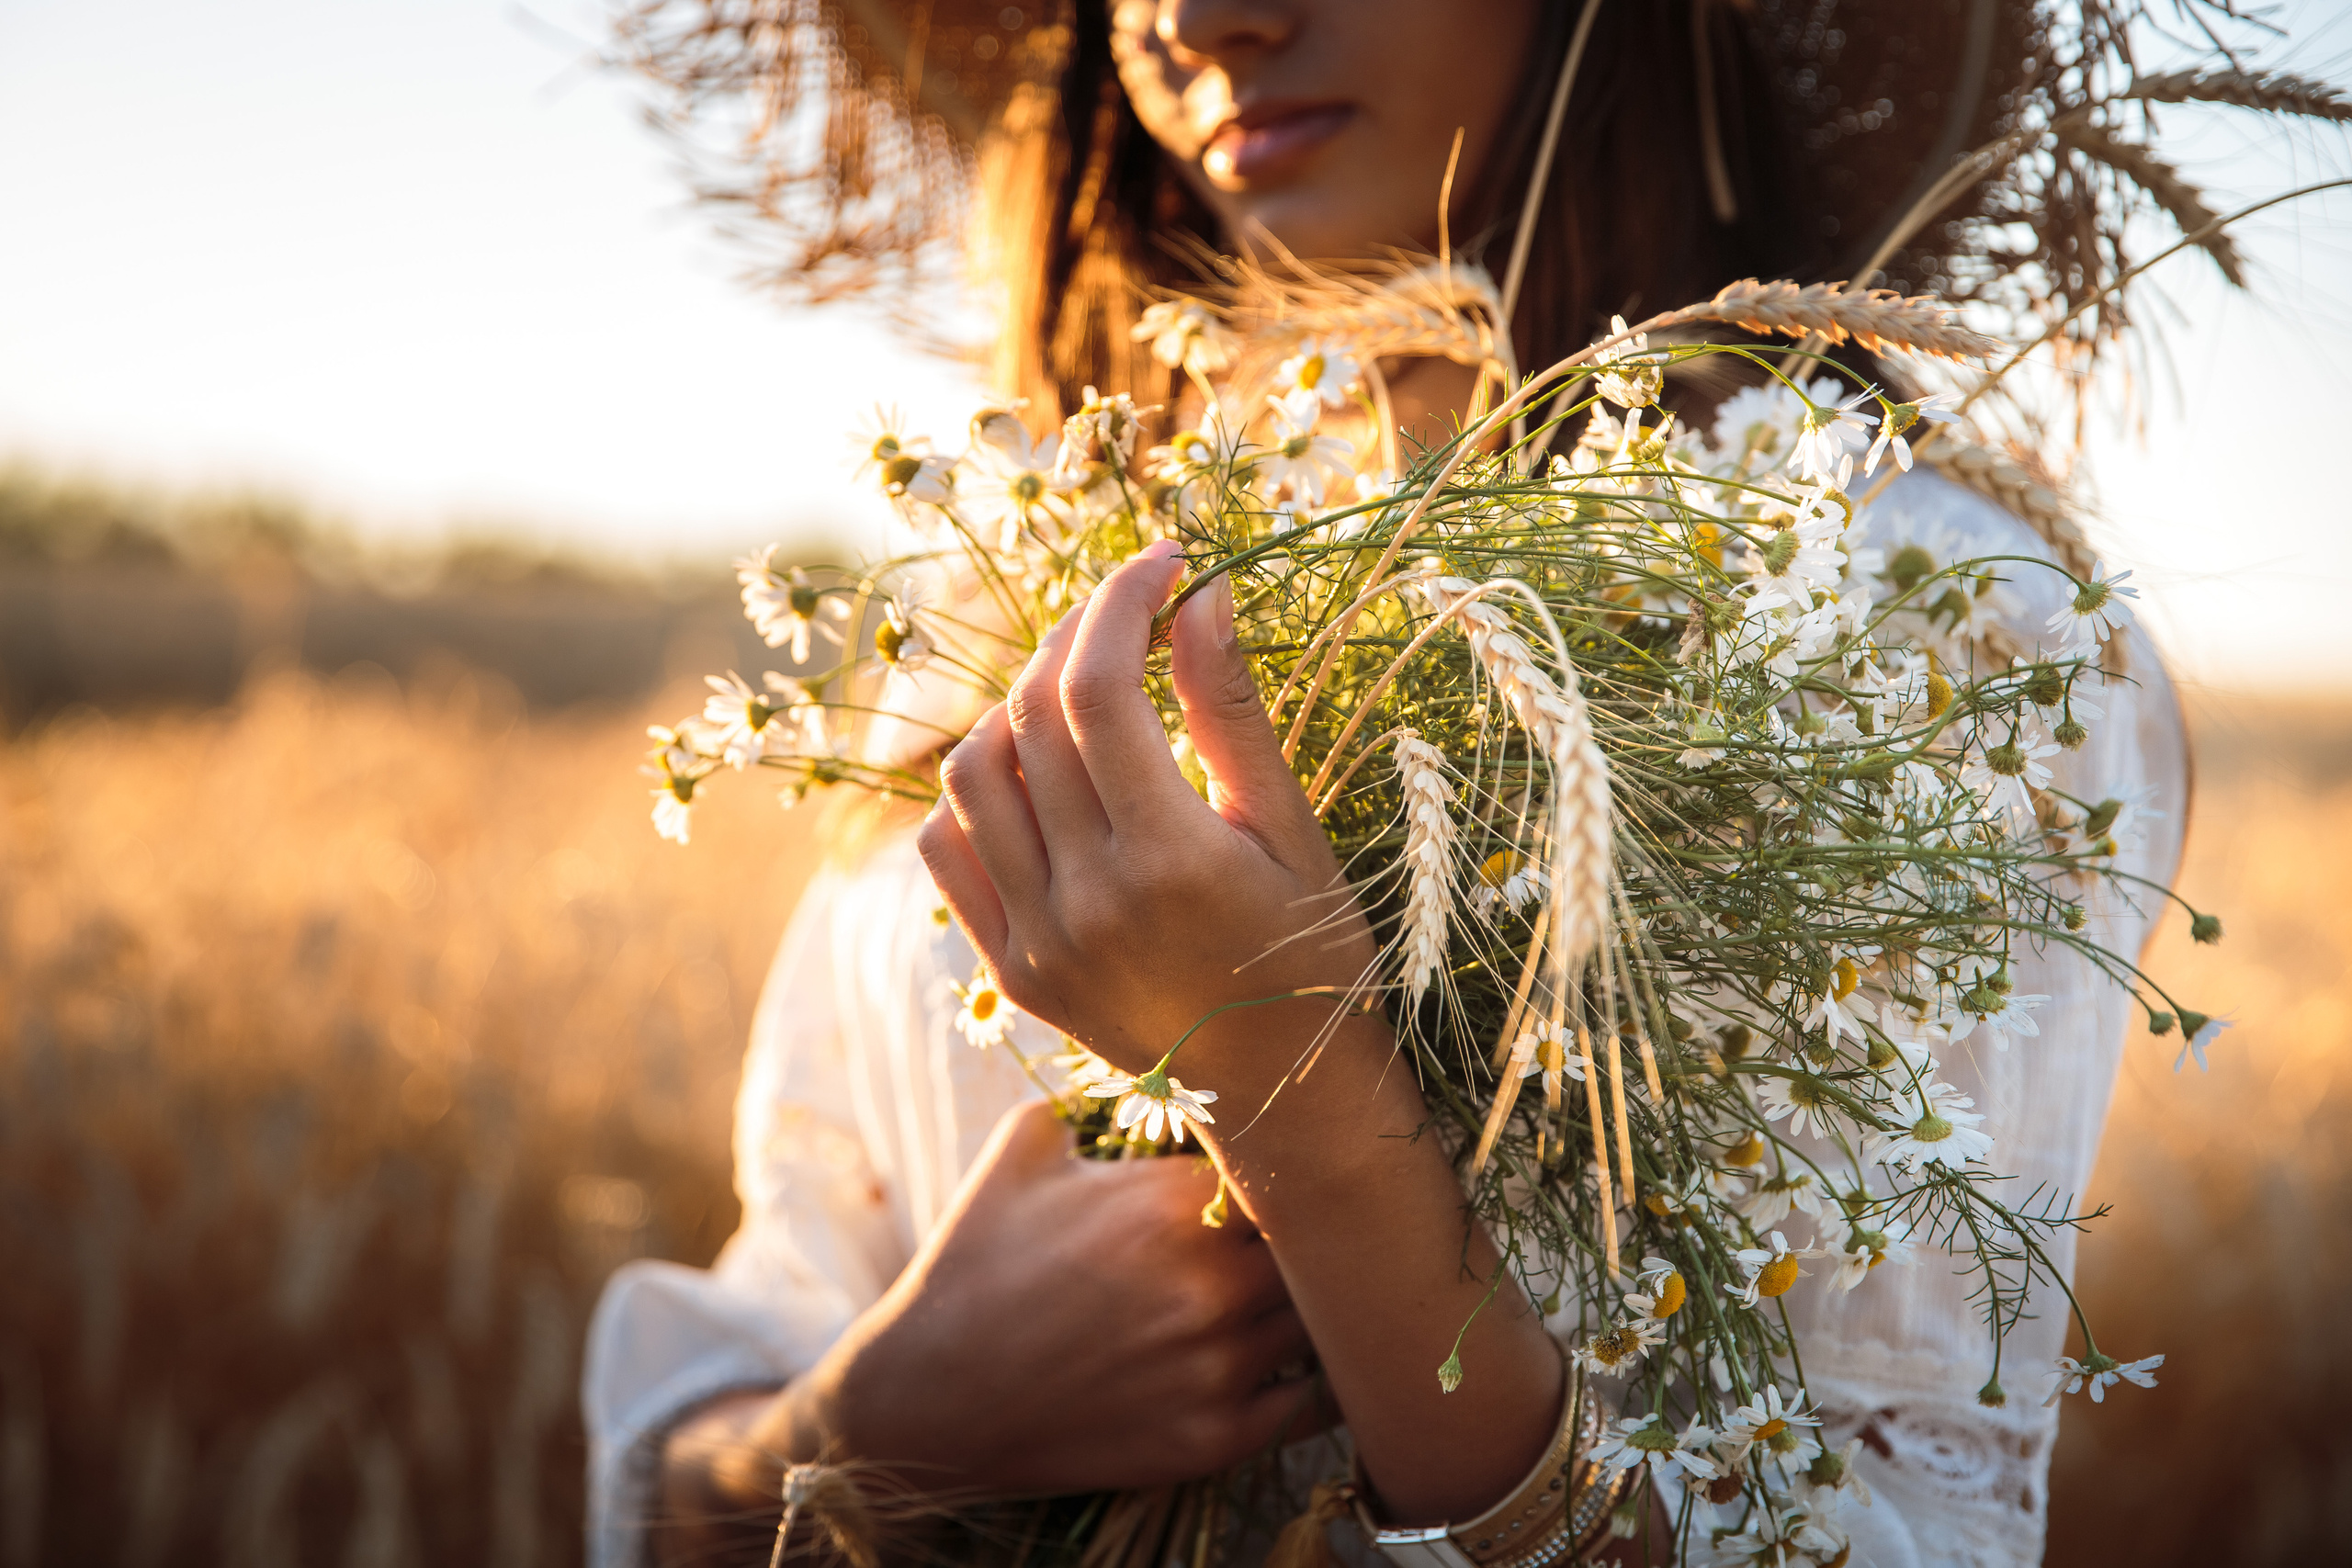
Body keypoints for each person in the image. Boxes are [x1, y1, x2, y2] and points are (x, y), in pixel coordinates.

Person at [586, 3, 2211, 1563]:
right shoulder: (990, 631)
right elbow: (717, 1414)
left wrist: (1313, 1119)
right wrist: (865, 1426)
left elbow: (1887, 1535)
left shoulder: (1935, 625)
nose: (1202, 17)